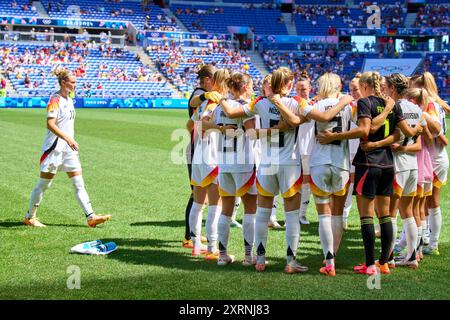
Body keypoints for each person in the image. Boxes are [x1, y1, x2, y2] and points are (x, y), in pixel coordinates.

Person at [317, 71, 421, 275]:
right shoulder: (392, 104)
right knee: (385, 216)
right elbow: (401, 134)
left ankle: (370, 264)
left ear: (365, 86)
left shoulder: (366, 103)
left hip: (368, 163)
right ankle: (384, 262)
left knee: (366, 216)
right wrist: (382, 141)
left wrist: (335, 136)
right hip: (388, 165)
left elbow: (365, 130)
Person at [218, 67, 308, 274]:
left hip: (267, 164)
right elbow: (307, 118)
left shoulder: (259, 103)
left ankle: (259, 259)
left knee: (262, 213)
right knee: (292, 215)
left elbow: (233, 114)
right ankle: (290, 261)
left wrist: (220, 98)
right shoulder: (297, 102)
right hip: (289, 164)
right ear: (289, 84)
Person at [24, 69, 111, 228]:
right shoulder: (55, 99)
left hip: (69, 150)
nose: (75, 85)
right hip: (54, 148)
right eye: (72, 82)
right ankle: (30, 217)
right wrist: (68, 138)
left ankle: (91, 217)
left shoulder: (69, 99)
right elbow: (50, 124)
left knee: (78, 183)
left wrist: (69, 141)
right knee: (45, 184)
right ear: (63, 83)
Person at [295, 73, 354, 276]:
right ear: (338, 85)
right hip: (342, 163)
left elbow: (298, 121)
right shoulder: (348, 105)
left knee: (323, 216)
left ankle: (329, 261)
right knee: (337, 214)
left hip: (319, 162)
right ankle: (333, 256)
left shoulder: (316, 105)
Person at [213, 72, 257, 266]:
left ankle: (222, 255)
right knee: (250, 210)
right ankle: (248, 256)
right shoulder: (245, 107)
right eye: (252, 86)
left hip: (224, 163)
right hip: (243, 163)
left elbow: (210, 126)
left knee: (226, 211)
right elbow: (252, 134)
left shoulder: (219, 108)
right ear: (246, 87)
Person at [187, 69, 229, 260]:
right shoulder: (220, 103)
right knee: (215, 203)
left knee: (198, 203)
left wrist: (202, 129)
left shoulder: (204, 102)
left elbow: (189, 125)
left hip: (199, 156)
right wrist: (218, 128)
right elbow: (206, 125)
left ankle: (196, 245)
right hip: (212, 156)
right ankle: (212, 247)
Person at [410, 72, 449, 256]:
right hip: (436, 158)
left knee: (430, 203)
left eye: (412, 87)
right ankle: (425, 239)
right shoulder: (438, 103)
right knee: (426, 203)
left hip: (434, 159)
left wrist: (424, 118)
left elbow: (439, 134)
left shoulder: (430, 105)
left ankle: (431, 244)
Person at [182, 65, 216, 249]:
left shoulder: (204, 94)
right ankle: (190, 235)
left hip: (199, 146)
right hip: (198, 147)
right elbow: (193, 115)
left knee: (200, 194)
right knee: (197, 193)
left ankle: (193, 235)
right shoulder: (201, 93)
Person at [342, 73, 362, 230]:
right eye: (351, 90)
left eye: (355, 89)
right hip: (350, 151)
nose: (353, 93)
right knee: (349, 184)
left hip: (366, 152)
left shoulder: (370, 104)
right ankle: (344, 216)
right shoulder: (350, 106)